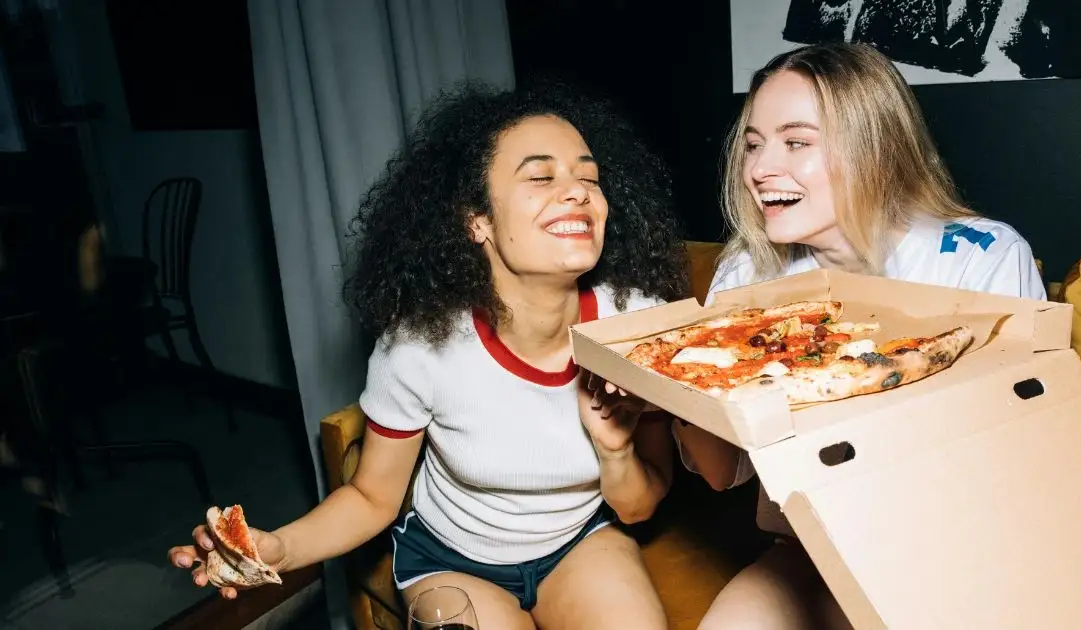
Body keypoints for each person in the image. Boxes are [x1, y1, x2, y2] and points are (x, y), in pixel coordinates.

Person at [168, 80, 691, 630]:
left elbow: (639, 505)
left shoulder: (641, 326)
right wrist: (279, 548)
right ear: (477, 220)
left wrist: (614, 454)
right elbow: (372, 497)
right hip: (451, 563)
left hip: (579, 543)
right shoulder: (421, 347)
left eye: (589, 177)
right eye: (541, 177)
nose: (578, 192)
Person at [674, 42, 1047, 630]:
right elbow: (723, 474)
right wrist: (670, 393)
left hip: (951, 552)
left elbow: (1014, 464)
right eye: (753, 143)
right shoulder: (747, 271)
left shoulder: (981, 259)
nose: (758, 168)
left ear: (874, 145)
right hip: (810, 554)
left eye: (796, 142)